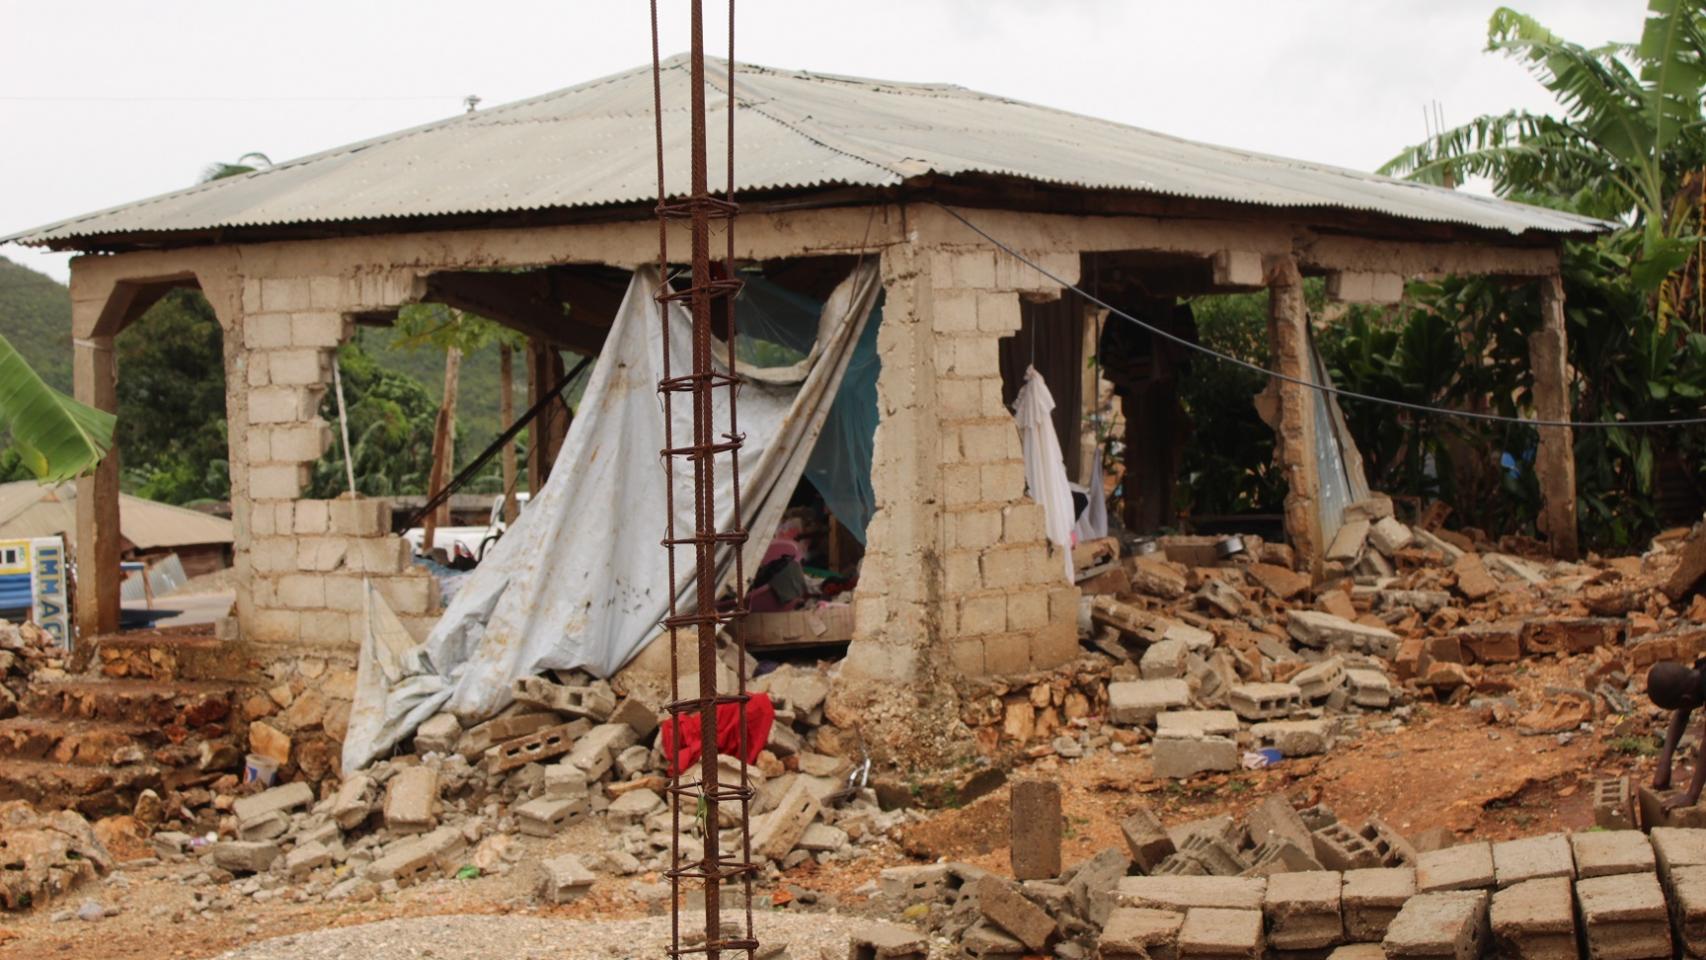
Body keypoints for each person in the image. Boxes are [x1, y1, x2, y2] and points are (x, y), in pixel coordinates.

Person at [1650, 659, 1706, 809]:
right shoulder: (1699, 672)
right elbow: (1682, 714)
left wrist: (1691, 796)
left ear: (1686, 700)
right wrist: (1665, 761)